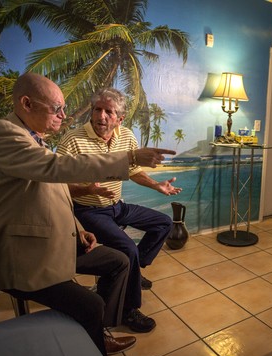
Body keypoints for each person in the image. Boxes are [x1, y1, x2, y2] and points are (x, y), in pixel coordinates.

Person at [0, 72, 175, 356]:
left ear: (119, 118)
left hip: (70, 229)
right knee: (92, 302)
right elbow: (59, 169)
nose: (64, 115)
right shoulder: (4, 134)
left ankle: (100, 327)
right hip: (25, 250)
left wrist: (78, 228)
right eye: (57, 109)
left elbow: (53, 192)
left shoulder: (33, 138)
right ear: (26, 104)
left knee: (121, 260)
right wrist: (130, 158)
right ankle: (93, 344)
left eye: (64, 108)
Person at [56, 88, 181, 333]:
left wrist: (157, 186)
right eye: (97, 109)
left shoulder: (126, 136)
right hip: (87, 211)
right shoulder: (73, 139)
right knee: (127, 249)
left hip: (117, 206)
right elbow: (56, 183)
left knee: (163, 223)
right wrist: (85, 190)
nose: (101, 116)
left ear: (119, 119)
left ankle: (135, 270)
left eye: (108, 112)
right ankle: (128, 310)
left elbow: (132, 170)